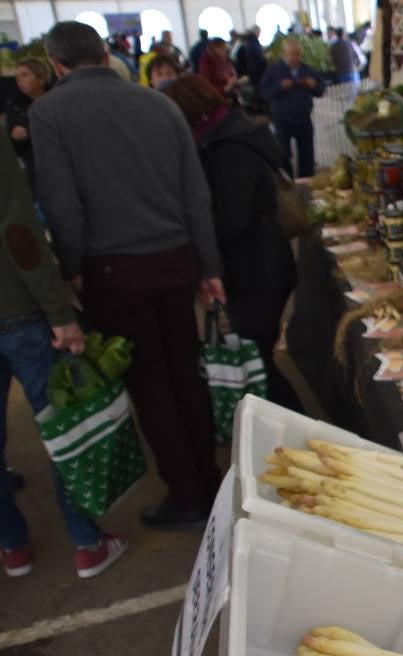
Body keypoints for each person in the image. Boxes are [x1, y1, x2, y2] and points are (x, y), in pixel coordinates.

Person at [31, 21, 224, 530]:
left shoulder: (49, 111)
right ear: (104, 54)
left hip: (114, 269)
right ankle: (208, 479)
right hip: (176, 257)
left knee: (150, 381)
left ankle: (187, 495)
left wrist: (71, 269)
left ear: (56, 64)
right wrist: (209, 266)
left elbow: (61, 204)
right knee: (186, 372)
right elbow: (195, 194)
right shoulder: (158, 102)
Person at [0, 109, 128, 578]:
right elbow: (17, 229)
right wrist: (59, 312)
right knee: (62, 427)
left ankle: (12, 546)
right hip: (18, 310)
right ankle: (86, 541)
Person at [163, 75, 302, 411]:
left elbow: (234, 217)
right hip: (262, 265)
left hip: (257, 270)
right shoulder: (234, 134)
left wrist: (200, 244)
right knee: (259, 359)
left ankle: (302, 432)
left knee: (258, 364)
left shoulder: (228, 149)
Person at [258, 37, 326, 178]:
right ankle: (288, 183)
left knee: (307, 154)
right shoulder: (274, 70)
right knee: (283, 154)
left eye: (298, 54)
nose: (296, 58)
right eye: (292, 54)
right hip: (282, 118)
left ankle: (306, 182)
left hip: (303, 117)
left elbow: (320, 90)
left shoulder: (306, 70)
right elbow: (263, 92)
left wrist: (314, 85)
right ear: (284, 54)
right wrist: (280, 87)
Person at [6, 59, 50, 194]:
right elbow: (12, 146)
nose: (19, 80)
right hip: (33, 169)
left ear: (41, 79)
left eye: (24, 75)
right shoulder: (15, 105)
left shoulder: (57, 101)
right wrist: (14, 136)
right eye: (17, 77)